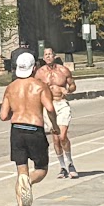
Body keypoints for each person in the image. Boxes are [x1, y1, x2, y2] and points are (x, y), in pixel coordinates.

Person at [0, 51, 53, 206]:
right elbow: (50, 107)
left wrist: (18, 111)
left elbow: (3, 115)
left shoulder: (11, 88)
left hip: (17, 130)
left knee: (21, 172)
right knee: (41, 169)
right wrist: (55, 126)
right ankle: (28, 182)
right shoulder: (40, 86)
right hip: (34, 129)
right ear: (34, 67)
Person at [35, 46, 79, 177]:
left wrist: (68, 90)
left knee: (62, 136)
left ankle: (70, 163)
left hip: (62, 104)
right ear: (43, 58)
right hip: (49, 106)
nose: (48, 56)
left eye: (50, 54)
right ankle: (62, 166)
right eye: (46, 55)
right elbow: (35, 90)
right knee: (55, 139)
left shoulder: (63, 70)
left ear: (54, 56)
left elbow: (73, 85)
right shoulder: (40, 73)